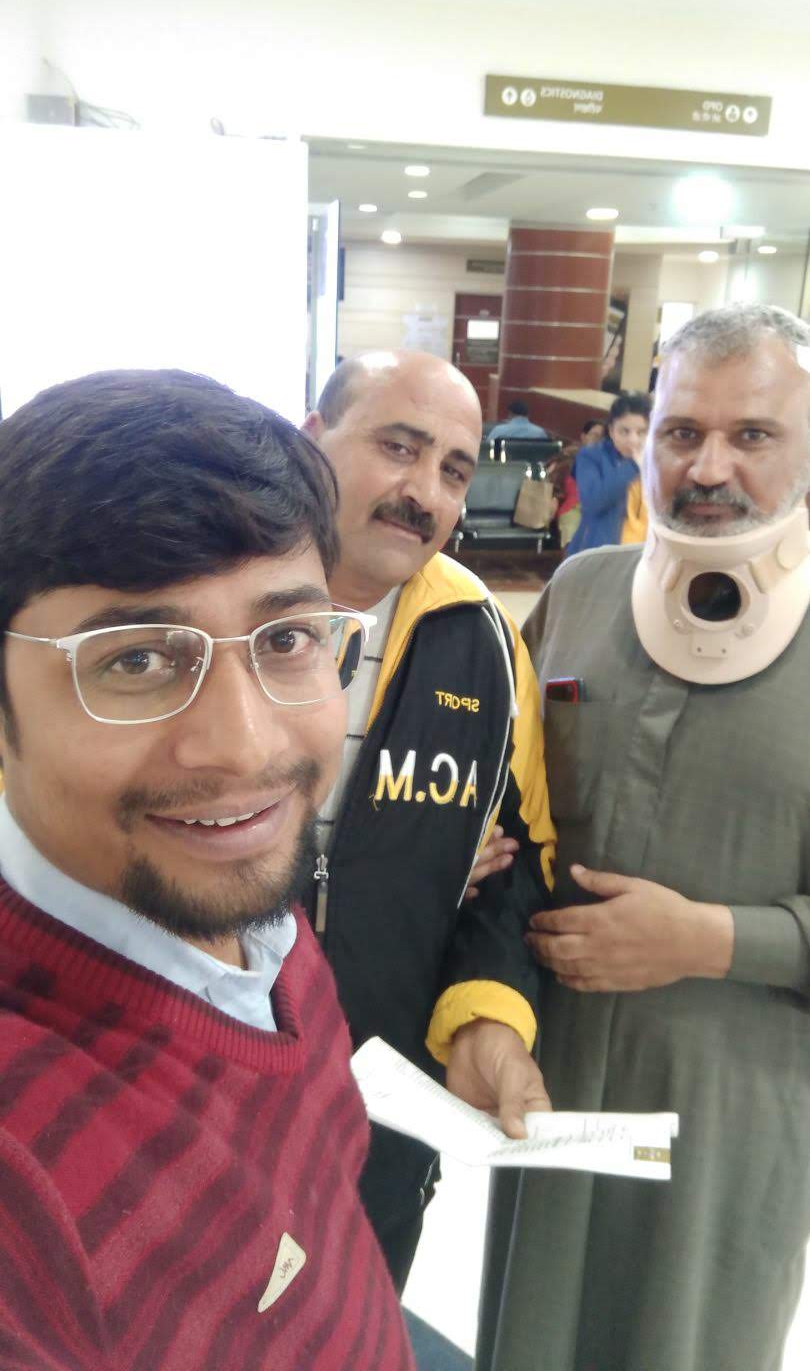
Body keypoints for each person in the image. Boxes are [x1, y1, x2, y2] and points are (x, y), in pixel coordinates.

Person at [0, 369, 416, 1371]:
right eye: (137, 659)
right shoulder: (26, 1178)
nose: (242, 747)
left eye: (287, 638)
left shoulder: (261, 924)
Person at [479, 304, 810, 1371]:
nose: (709, 468)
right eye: (682, 433)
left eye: (753, 434)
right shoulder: (577, 595)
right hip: (551, 1081)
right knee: (528, 1340)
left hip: (735, 1111)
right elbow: (508, 803)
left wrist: (711, 940)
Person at [304, 351, 555, 1292]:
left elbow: (520, 865)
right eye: (398, 448)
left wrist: (487, 1017)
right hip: (186, 1095)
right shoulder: (201, 605)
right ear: (312, 440)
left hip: (384, 1116)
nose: (424, 494)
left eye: (453, 469)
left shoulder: (482, 642)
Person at [566, 390, 651, 555]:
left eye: (641, 432)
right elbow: (592, 502)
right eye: (624, 431)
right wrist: (633, 466)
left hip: (645, 554)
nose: (633, 440)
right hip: (602, 554)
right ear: (611, 431)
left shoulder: (657, 462)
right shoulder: (591, 456)